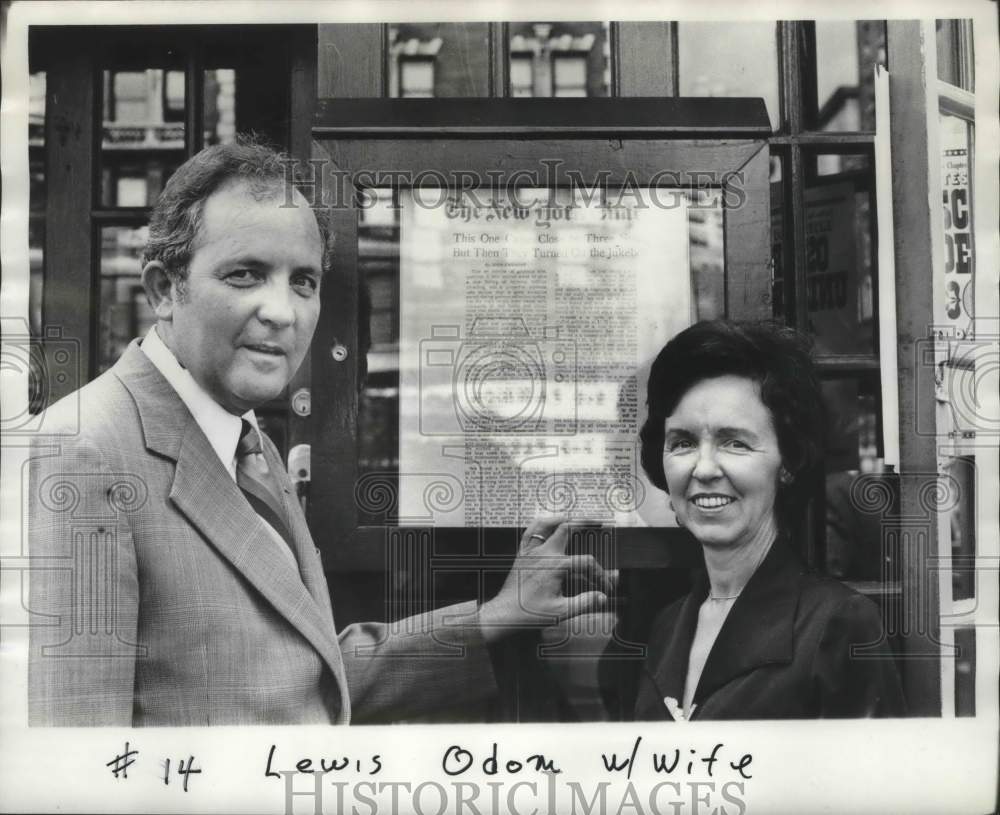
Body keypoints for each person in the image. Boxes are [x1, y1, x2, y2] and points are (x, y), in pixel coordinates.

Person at [26, 139, 609, 726]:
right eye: (245, 274)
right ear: (162, 291)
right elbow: (77, 755)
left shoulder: (245, 443)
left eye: (302, 281)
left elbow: (305, 681)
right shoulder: (83, 451)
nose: (282, 311)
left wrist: (495, 617)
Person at [625, 320, 905, 719]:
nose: (703, 469)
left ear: (787, 461)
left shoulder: (837, 625)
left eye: (734, 442)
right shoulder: (666, 626)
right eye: (683, 442)